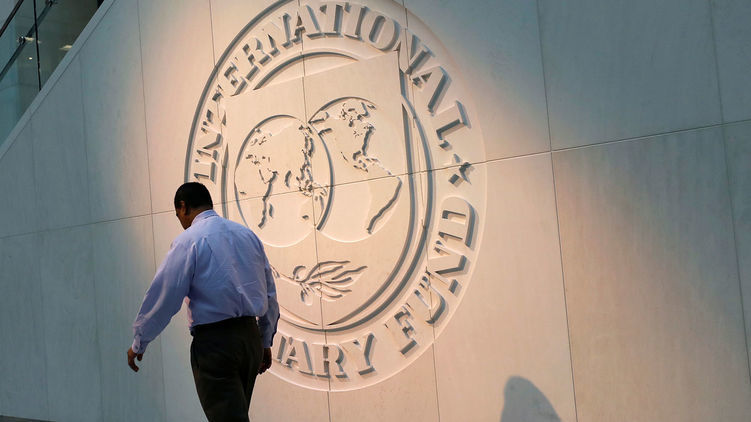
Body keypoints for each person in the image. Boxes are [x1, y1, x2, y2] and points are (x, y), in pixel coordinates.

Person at [126, 182, 280, 422]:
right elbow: (269, 292)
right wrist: (264, 339)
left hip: (215, 343)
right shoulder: (247, 235)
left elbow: (165, 296)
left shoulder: (189, 241)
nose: (181, 221)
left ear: (183, 206)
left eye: (178, 214)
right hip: (250, 339)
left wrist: (140, 340)